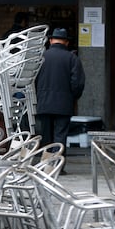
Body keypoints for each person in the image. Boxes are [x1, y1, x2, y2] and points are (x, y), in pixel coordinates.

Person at [35, 28, 85, 175]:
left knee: (47, 136)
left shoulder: (41, 57)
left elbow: (33, 80)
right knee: (60, 136)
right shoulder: (72, 58)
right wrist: (72, 97)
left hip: (43, 102)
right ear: (66, 42)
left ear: (51, 41)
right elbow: (78, 83)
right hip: (63, 104)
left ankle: (46, 166)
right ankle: (57, 167)